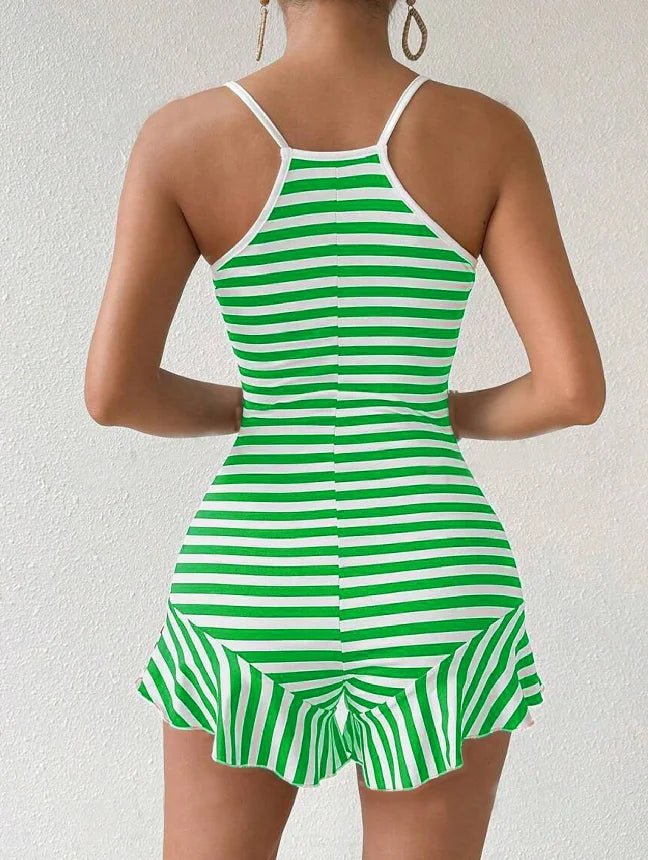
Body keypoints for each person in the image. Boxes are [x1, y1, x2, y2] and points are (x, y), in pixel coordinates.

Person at [84, 1, 605, 857]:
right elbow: (572, 391)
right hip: (433, 577)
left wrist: (253, 407)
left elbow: (115, 394)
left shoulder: (181, 137)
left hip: (251, 574)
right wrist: (435, 413)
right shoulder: (487, 134)